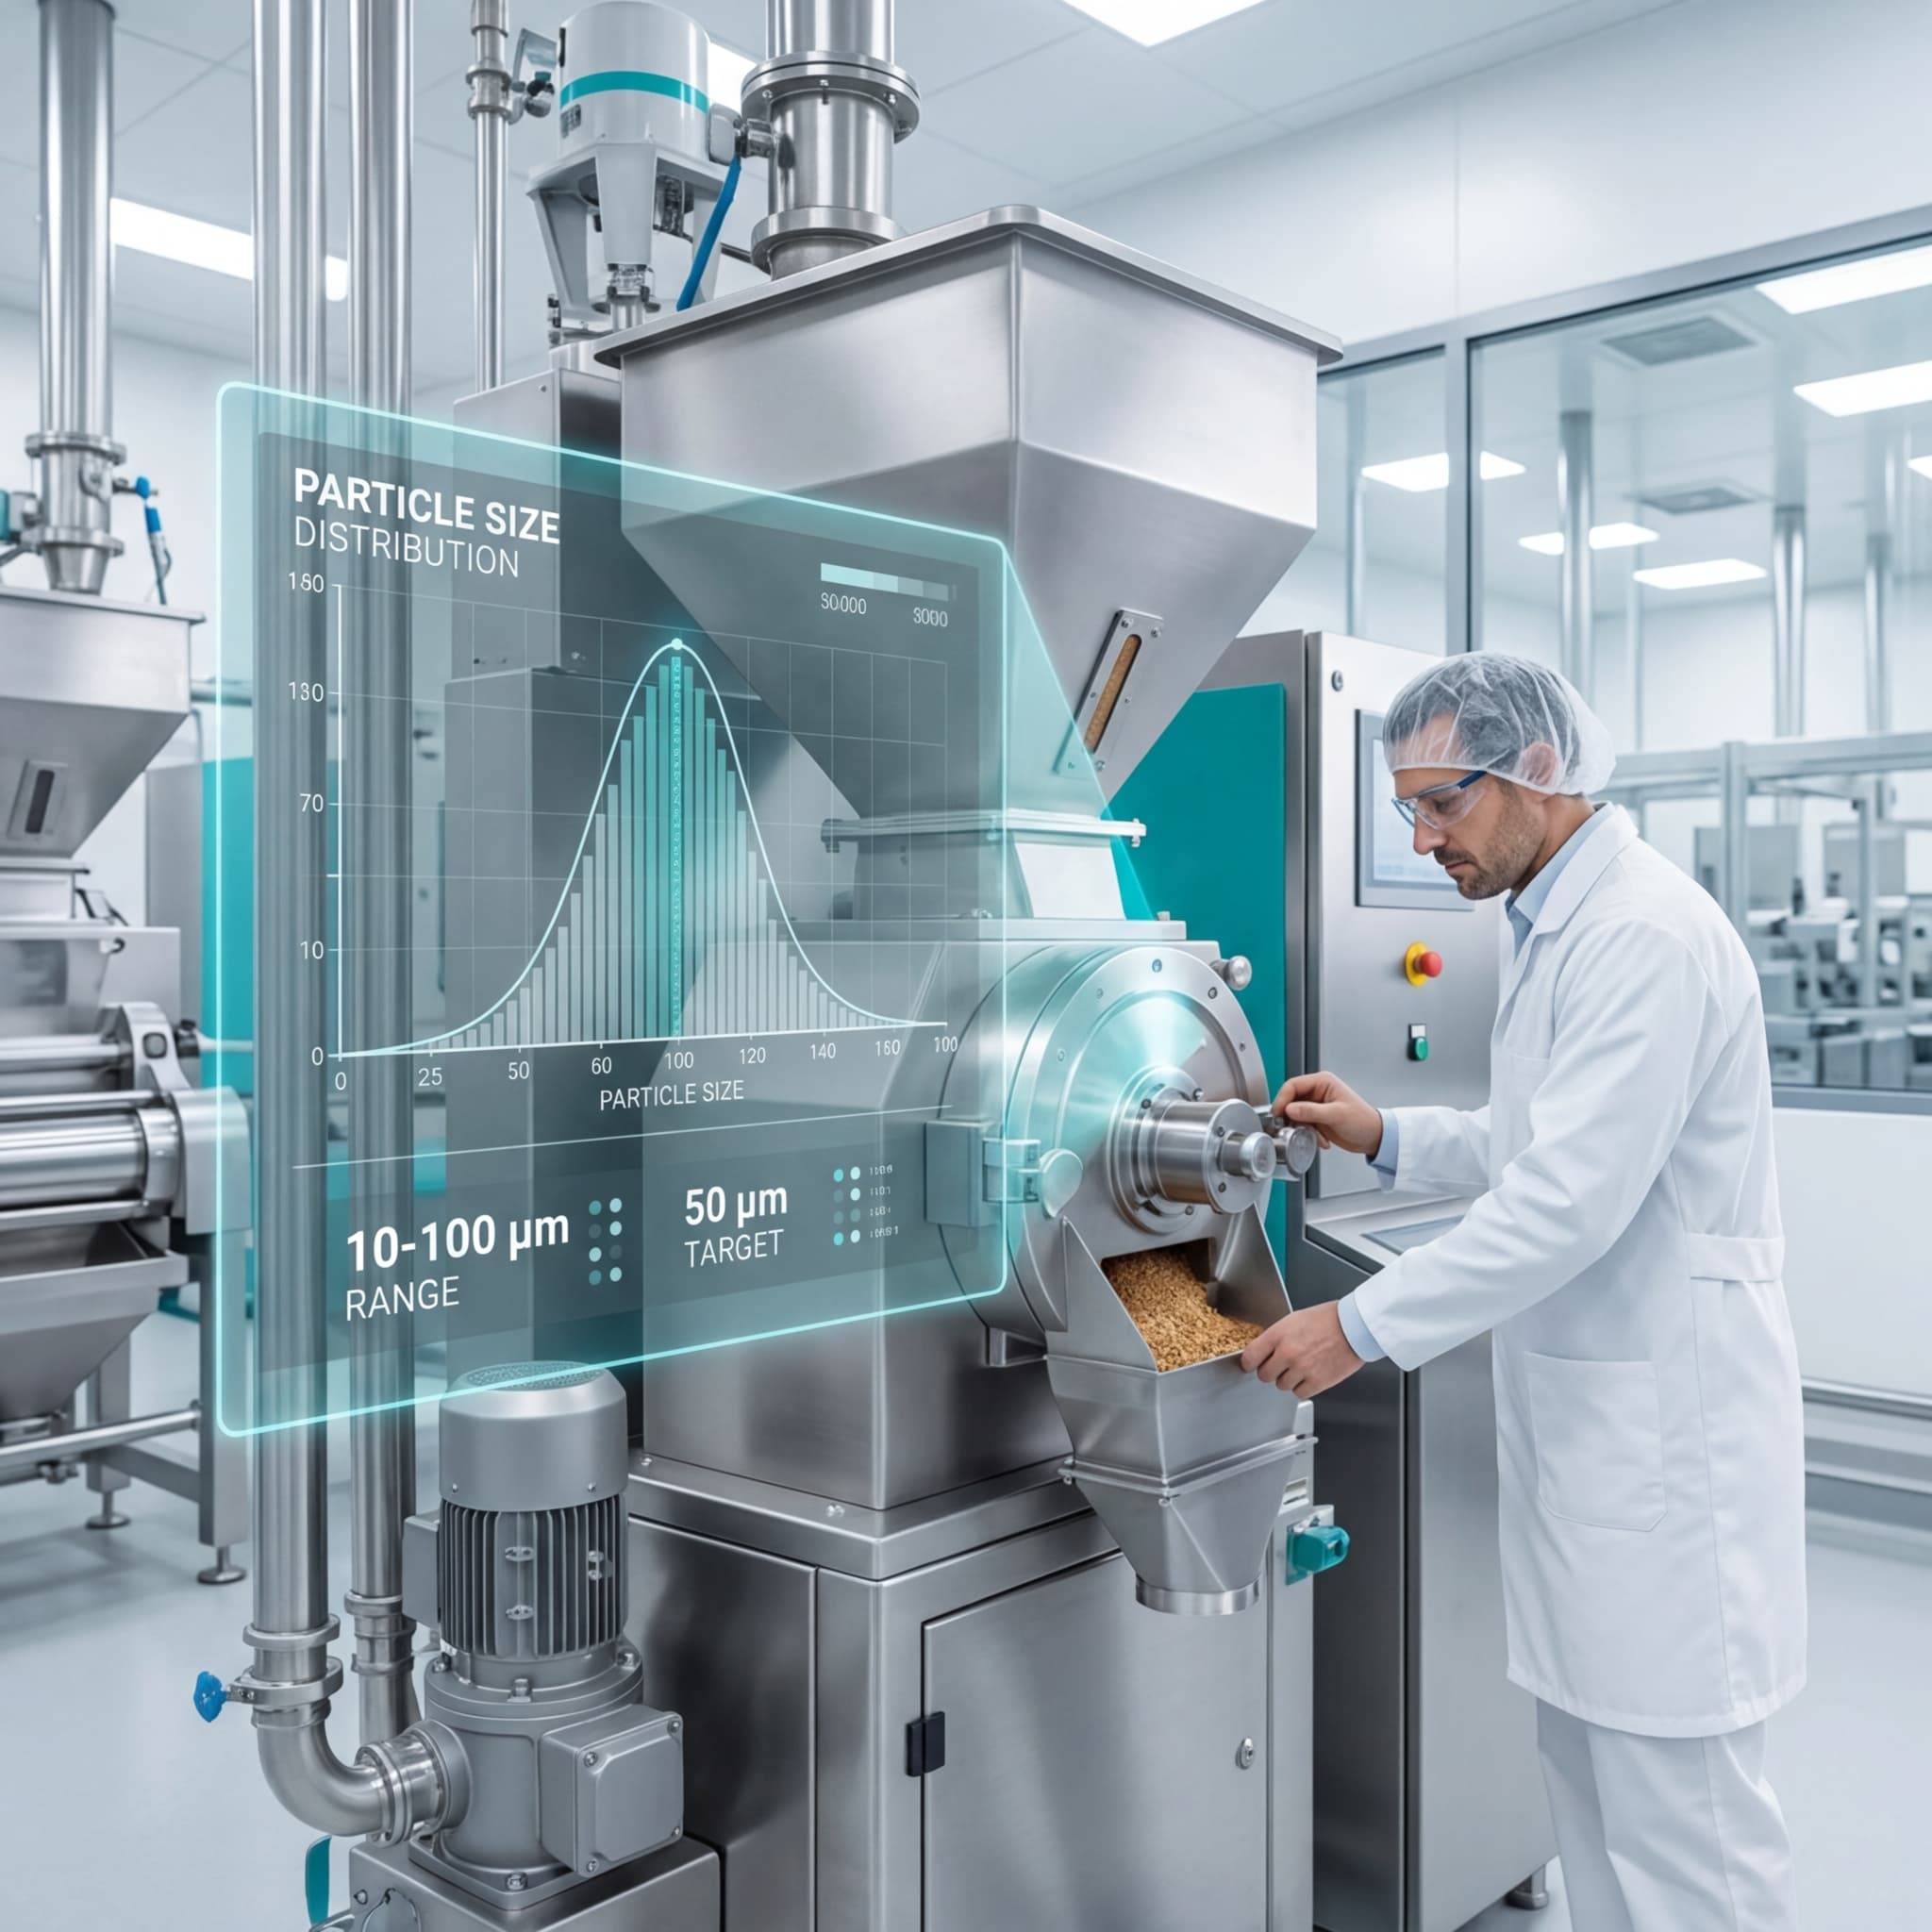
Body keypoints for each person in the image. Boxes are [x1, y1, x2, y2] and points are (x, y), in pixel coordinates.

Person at [1241, 653, 1807, 1932]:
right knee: (1595, 1799)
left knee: (1689, 1840)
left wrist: (1356, 1326)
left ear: (1538, 770)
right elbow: (1539, 1140)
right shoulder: (1558, 925)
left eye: (1443, 802)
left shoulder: (1640, 934)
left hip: (1672, 1457)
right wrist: (1387, 1132)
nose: (1422, 839)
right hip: (1600, 1451)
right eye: (1406, 810)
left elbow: (1568, 1201)